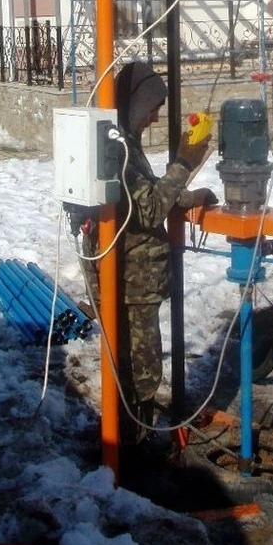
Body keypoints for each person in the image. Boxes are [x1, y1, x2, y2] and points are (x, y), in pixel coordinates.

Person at [82, 60, 217, 455]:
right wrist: (184, 164)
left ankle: (128, 443)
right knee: (139, 374)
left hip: (134, 281)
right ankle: (130, 452)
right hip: (129, 283)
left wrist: (186, 194)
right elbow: (147, 211)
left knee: (136, 370)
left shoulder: (126, 143)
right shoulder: (117, 148)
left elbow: (144, 196)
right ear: (137, 104)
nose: (157, 116)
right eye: (154, 107)